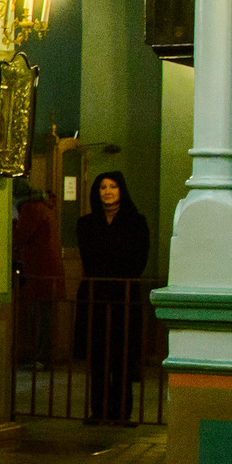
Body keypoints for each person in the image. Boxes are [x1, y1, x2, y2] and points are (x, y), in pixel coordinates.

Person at [75, 170, 149, 425]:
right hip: (95, 295)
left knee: (122, 354)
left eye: (113, 186)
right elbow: (90, 258)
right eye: (103, 187)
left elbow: (138, 260)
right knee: (97, 356)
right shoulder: (86, 223)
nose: (107, 191)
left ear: (121, 190)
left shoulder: (136, 222)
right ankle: (99, 410)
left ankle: (122, 411)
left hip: (124, 295)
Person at [11, 176, 62, 369]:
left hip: (38, 270)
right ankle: (42, 356)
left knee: (40, 318)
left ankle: (41, 358)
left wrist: (11, 223)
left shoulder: (30, 208)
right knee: (44, 316)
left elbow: (19, 236)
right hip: (46, 270)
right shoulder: (40, 205)